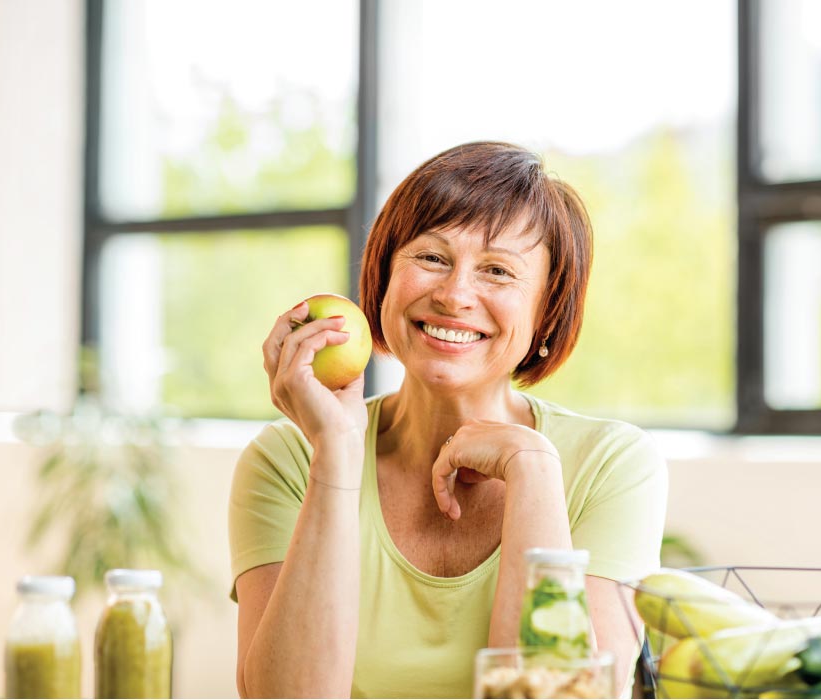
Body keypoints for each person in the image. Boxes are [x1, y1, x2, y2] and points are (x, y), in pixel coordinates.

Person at [229, 141, 668, 698]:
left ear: (546, 311)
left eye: (497, 271)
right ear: (383, 276)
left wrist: (531, 469)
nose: (455, 294)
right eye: (432, 258)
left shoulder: (611, 464)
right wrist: (336, 453)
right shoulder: (287, 460)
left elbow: (555, 696)